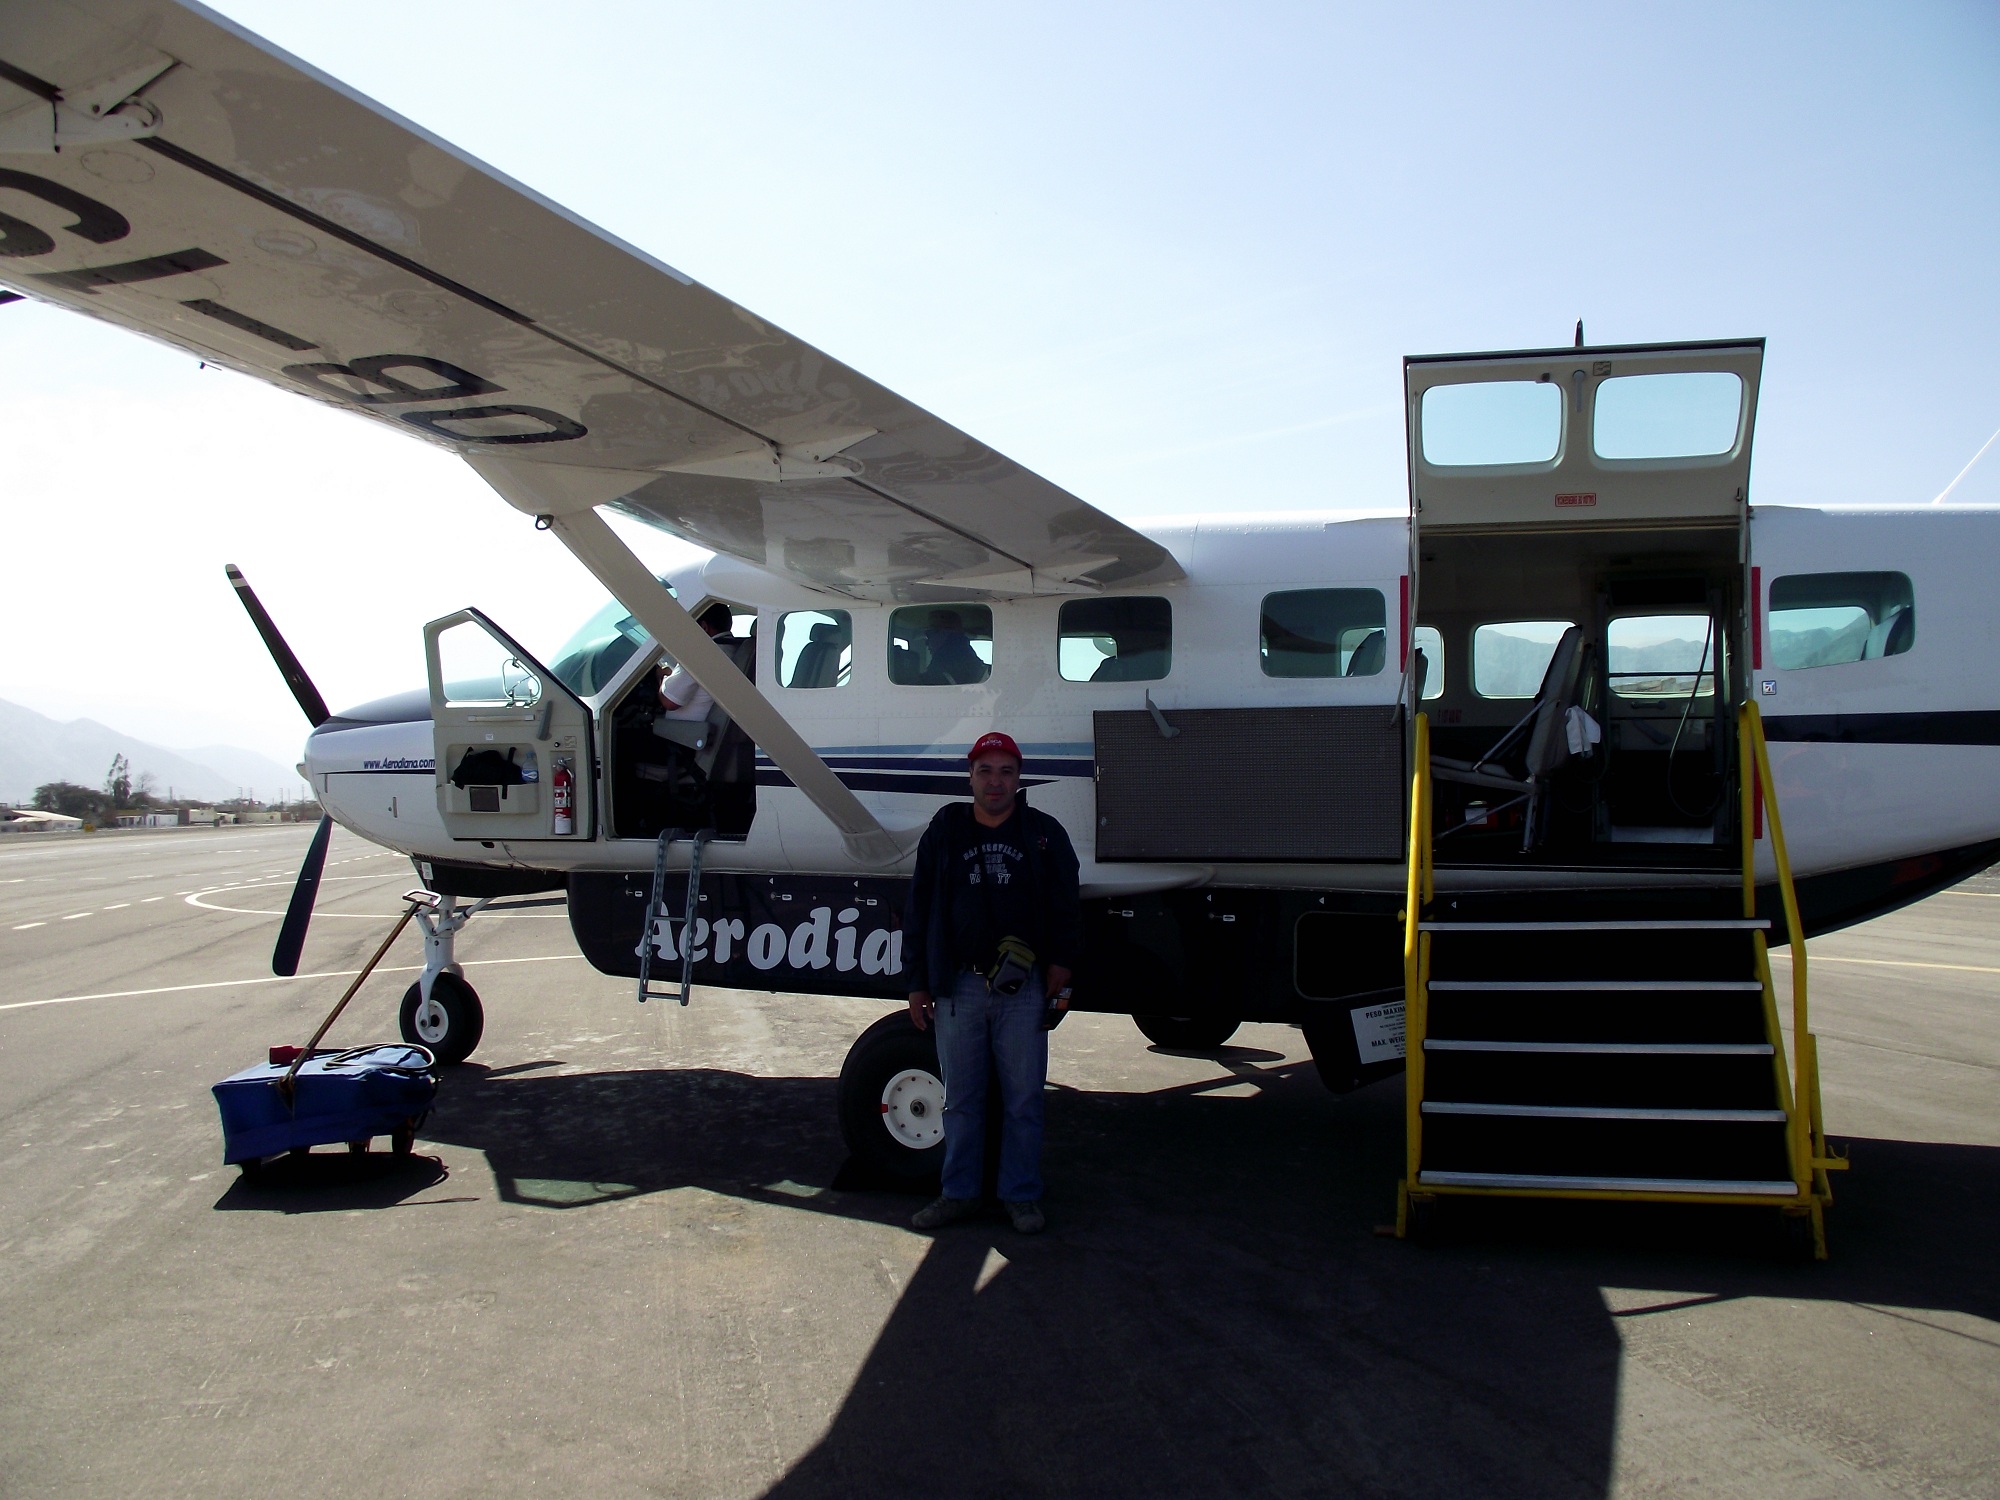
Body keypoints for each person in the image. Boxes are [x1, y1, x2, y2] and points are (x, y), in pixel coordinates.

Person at [902, 731, 1081, 1234]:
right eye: (986, 771)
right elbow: (919, 905)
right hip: (957, 988)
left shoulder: (1043, 833)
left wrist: (1063, 963)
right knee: (959, 1099)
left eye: (1006, 772)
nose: (995, 782)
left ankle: (1019, 1195)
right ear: (971, 776)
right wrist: (917, 981)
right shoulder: (947, 829)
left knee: (1024, 1097)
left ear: (1018, 779)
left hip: (1023, 991)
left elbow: (1068, 902)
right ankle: (957, 1193)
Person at [657, 602, 737, 719]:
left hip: (682, 732)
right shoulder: (734, 648)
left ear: (704, 627)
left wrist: (663, 676)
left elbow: (669, 702)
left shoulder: (701, 653)